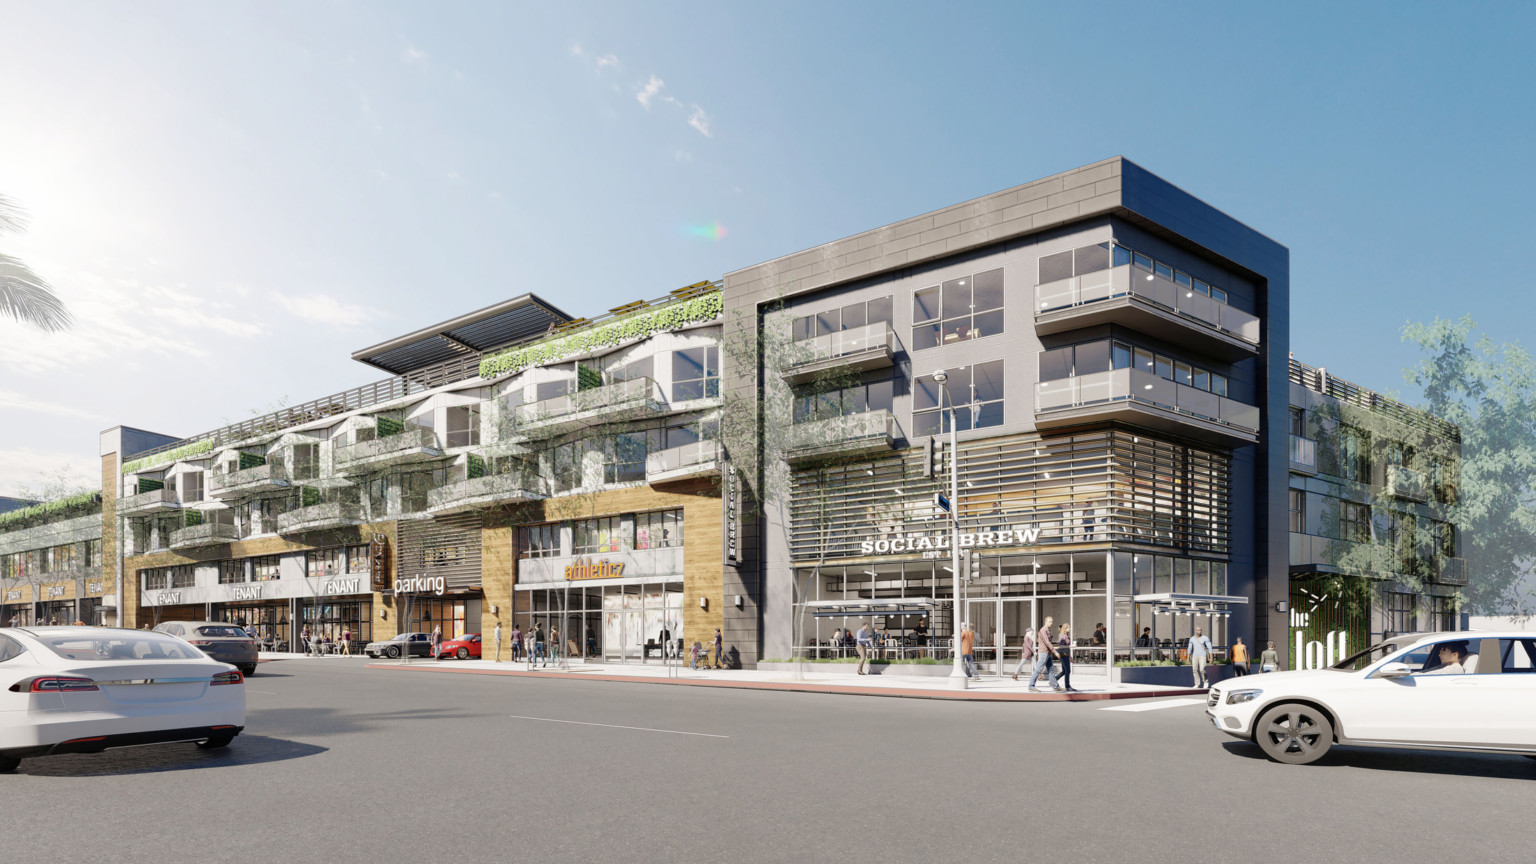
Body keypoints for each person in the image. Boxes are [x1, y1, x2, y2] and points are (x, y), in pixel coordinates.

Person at [1028, 617, 1062, 692]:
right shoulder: (1043, 630)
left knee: (1051, 670)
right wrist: (1055, 651)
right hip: (1044, 653)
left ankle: (1056, 686)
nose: (1051, 623)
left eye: (1052, 622)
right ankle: (1031, 685)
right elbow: (1047, 642)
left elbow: (1040, 640)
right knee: (1038, 669)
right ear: (1045, 622)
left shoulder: (1047, 630)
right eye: (1050, 622)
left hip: (1047, 653)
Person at [1057, 622, 1078, 692]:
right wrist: (1071, 646)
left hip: (1066, 655)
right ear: (1065, 628)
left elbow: (1066, 648)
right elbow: (1061, 646)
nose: (1070, 628)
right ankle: (1067, 686)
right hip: (1063, 655)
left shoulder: (1066, 635)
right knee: (1068, 671)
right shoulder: (1063, 636)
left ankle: (1053, 680)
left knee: (1064, 671)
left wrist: (1070, 656)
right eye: (1069, 627)